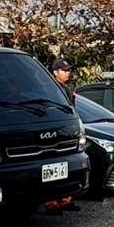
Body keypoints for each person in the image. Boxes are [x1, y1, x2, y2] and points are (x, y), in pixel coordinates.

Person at [45, 60, 80, 211]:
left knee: (68, 165)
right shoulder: (49, 88)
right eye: (64, 70)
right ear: (55, 72)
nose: (68, 73)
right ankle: (52, 202)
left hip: (68, 127)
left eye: (68, 70)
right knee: (52, 167)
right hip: (55, 129)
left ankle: (67, 200)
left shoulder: (70, 86)